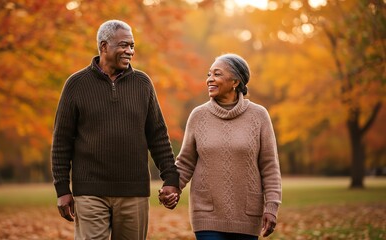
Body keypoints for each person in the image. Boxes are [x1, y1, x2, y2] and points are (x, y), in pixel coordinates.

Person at [51, 19, 180, 240]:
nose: (129, 51)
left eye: (132, 46)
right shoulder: (76, 85)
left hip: (134, 193)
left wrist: (171, 178)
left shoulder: (143, 84)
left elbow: (158, 136)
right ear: (103, 46)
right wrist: (63, 189)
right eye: (123, 45)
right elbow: (62, 141)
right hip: (90, 192)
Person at [161, 53, 282, 239]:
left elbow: (269, 166)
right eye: (209, 74)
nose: (210, 79)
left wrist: (272, 206)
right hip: (206, 213)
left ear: (235, 81)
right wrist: (172, 188)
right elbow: (185, 162)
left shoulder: (259, 116)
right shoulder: (198, 116)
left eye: (217, 74)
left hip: (246, 214)